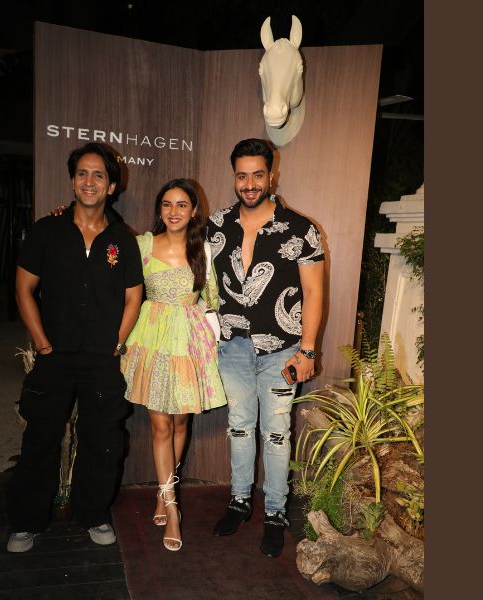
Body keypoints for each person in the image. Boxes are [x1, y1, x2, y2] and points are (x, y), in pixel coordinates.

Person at [6, 142, 143, 553]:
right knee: (41, 438)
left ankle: (94, 514)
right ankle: (26, 521)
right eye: (82, 173)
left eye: (98, 175)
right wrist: (42, 343)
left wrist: (117, 342)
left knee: (102, 440)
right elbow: (23, 289)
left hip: (102, 358)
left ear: (112, 186)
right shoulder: (46, 231)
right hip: (55, 356)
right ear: (72, 181)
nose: (89, 181)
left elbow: (134, 297)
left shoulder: (123, 240)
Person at [208, 138, 325, 558]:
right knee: (239, 427)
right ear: (234, 177)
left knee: (276, 434)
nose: (250, 184)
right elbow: (173, 250)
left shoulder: (300, 229)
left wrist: (307, 351)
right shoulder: (216, 225)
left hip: (282, 350)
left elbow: (314, 293)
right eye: (242, 176)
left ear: (272, 175)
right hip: (233, 348)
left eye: (258, 175)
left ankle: (275, 513)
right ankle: (240, 501)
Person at [120, 178, 227, 551]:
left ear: (194, 211)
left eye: (182, 205)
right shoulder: (142, 245)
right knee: (160, 425)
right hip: (151, 341)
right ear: (159, 209)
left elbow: (212, 298)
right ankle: (172, 507)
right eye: (167, 204)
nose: (174, 211)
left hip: (187, 343)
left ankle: (163, 490)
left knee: (181, 423)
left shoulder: (204, 251)